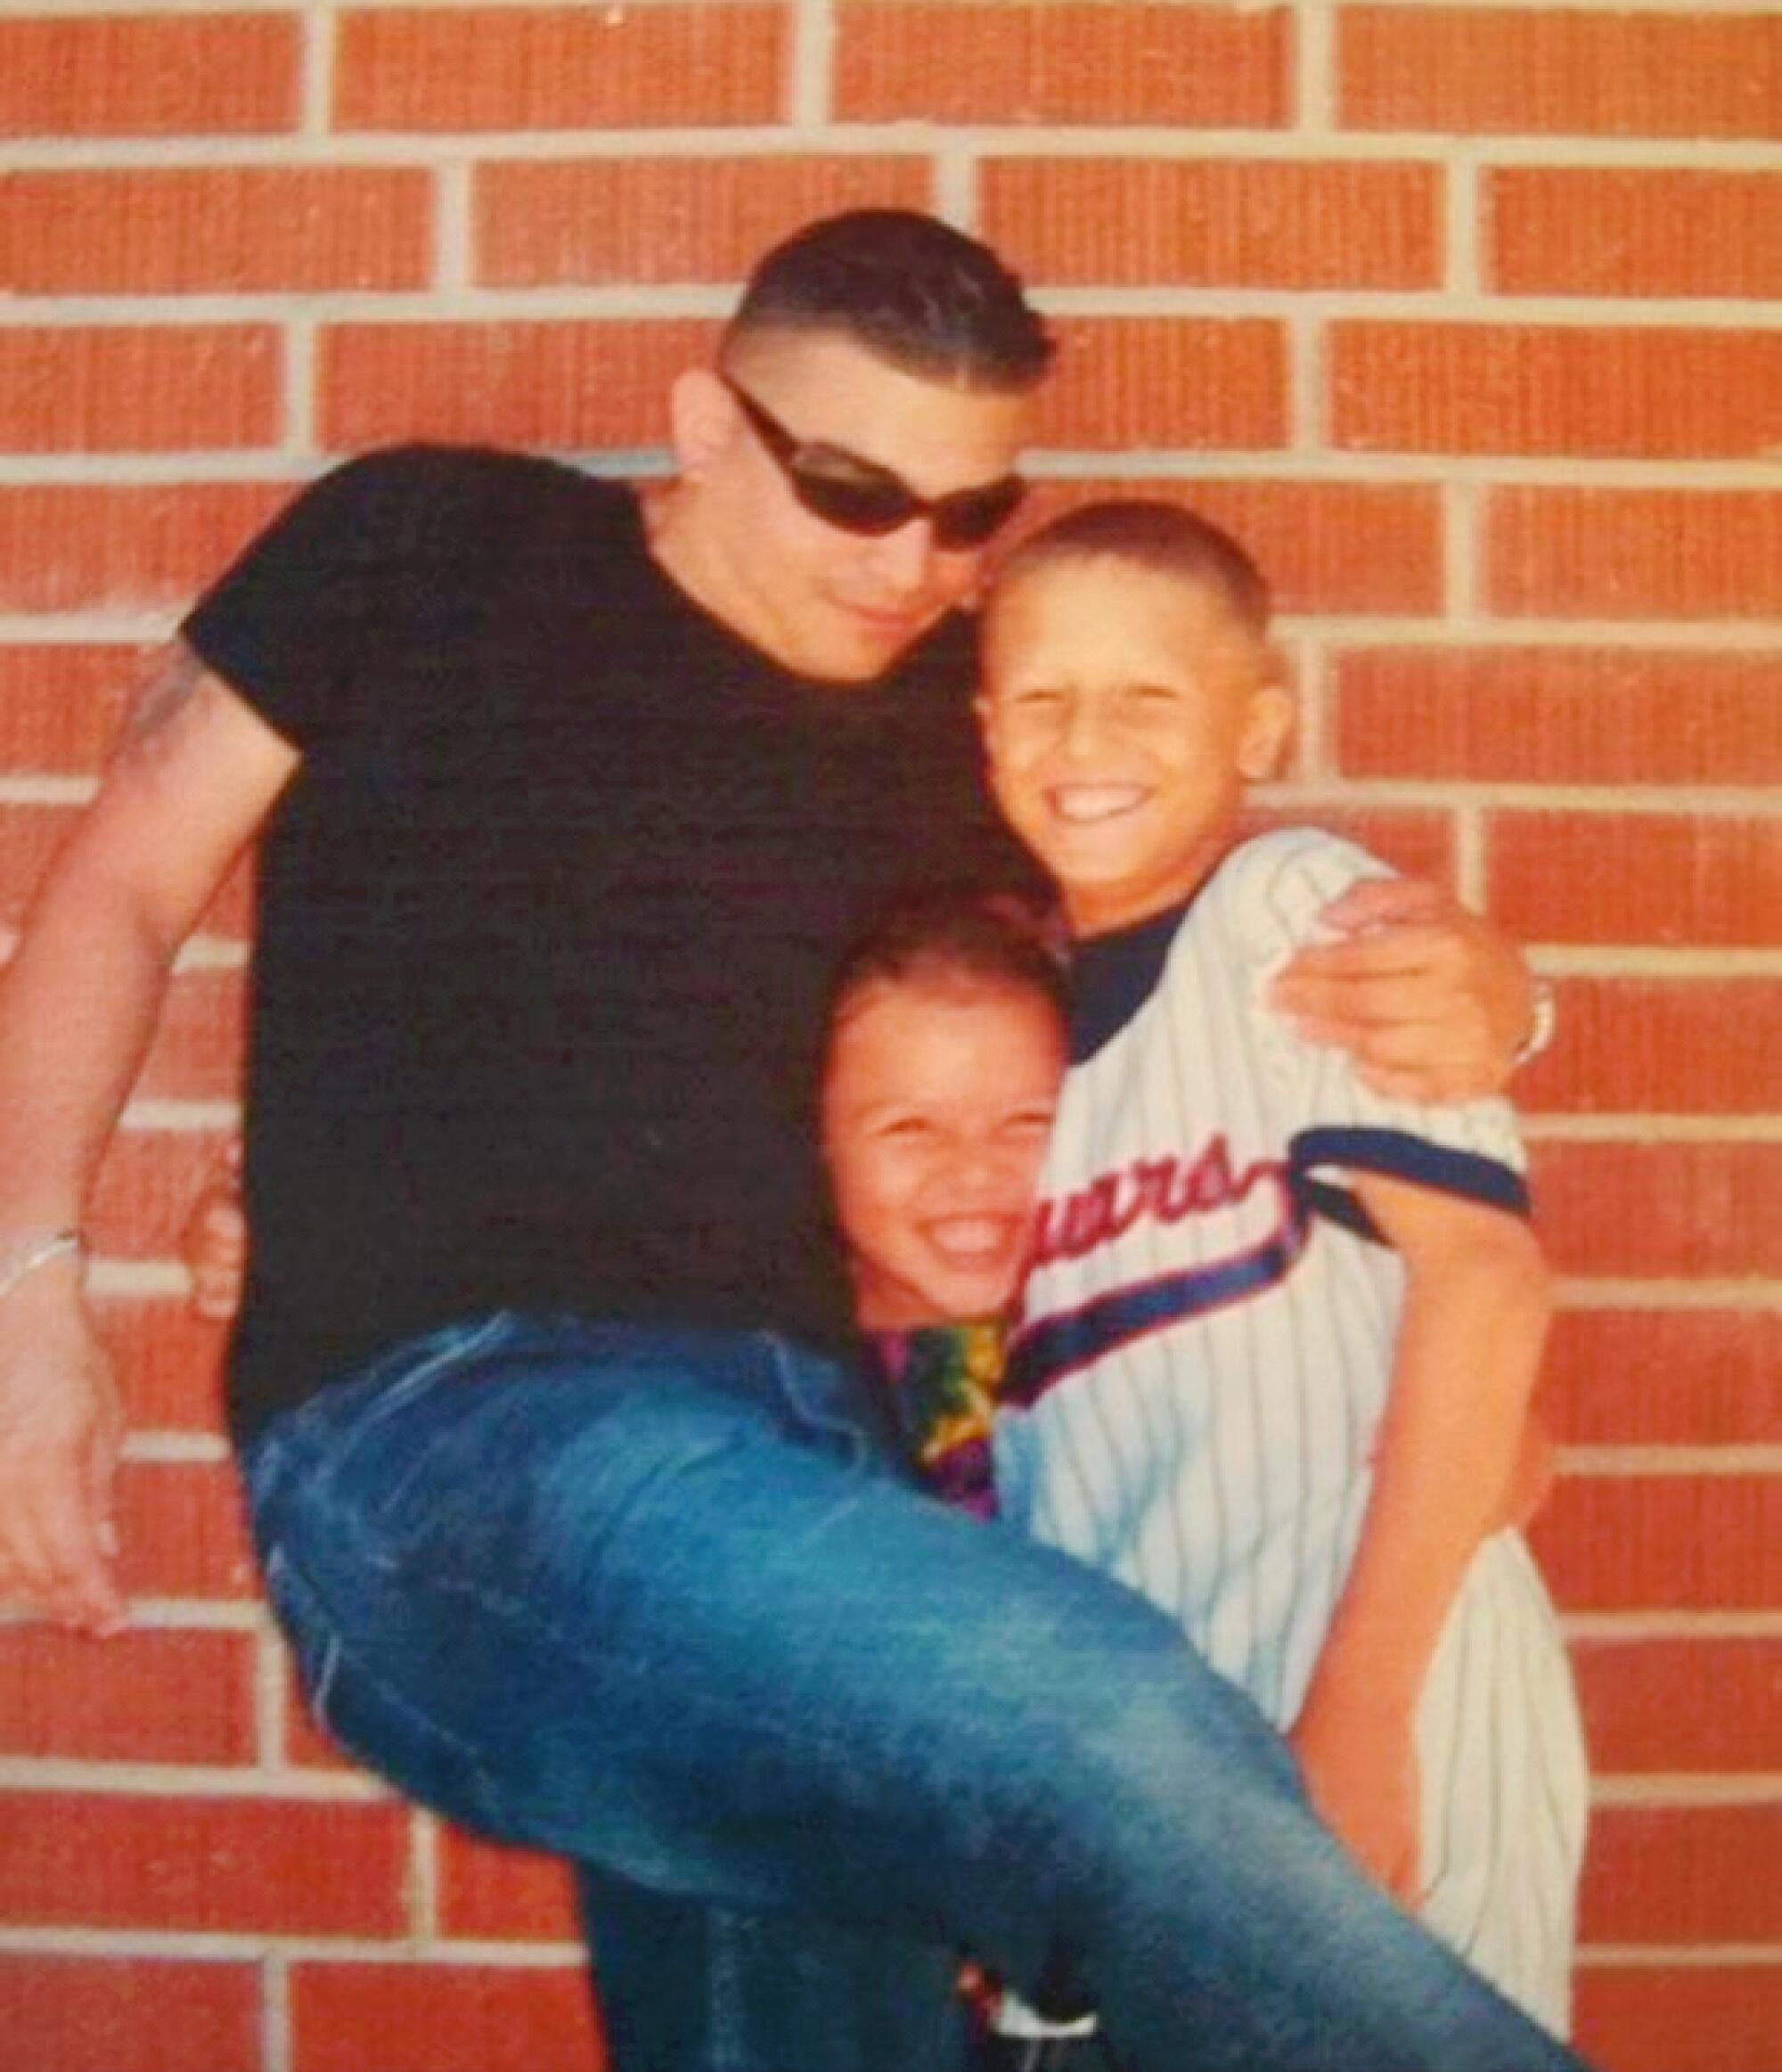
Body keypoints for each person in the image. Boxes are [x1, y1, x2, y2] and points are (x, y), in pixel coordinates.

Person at [0, 208, 1586, 2072]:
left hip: (831, 1488)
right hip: (469, 1442)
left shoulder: (964, 725)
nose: (913, 560)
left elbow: (1203, 944)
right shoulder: (430, 543)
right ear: (701, 422)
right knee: (1084, 1716)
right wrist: (37, 1287)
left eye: (969, 512)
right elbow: (123, 879)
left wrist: (1498, 991)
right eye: (851, 490)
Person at [977, 500, 1590, 2035]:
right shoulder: (1013, 1051)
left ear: (1261, 727)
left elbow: (1488, 1284)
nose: (1086, 738)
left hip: (1379, 1679)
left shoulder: (1284, 910)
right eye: (1043, 697)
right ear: (985, 730)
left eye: (1147, 696)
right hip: (1168, 1758)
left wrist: (1364, 1719)